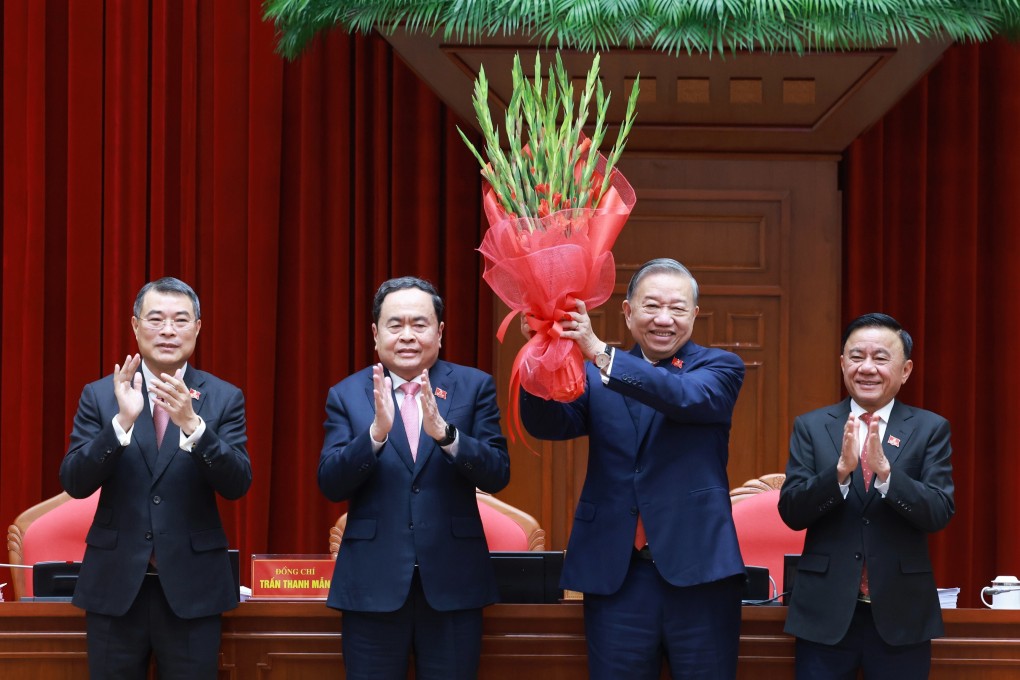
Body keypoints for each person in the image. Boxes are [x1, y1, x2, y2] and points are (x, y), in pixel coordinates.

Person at [519, 258, 747, 680]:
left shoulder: (719, 369)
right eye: (651, 306)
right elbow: (548, 424)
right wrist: (539, 356)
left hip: (699, 574)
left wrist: (602, 353)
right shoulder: (591, 375)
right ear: (627, 311)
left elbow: (683, 398)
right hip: (618, 573)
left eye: (677, 309)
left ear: (694, 315)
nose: (664, 319)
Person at [318, 276, 511, 680]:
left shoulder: (474, 387)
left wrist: (448, 436)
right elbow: (331, 483)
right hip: (372, 585)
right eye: (395, 324)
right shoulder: (348, 394)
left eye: (420, 324)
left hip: (453, 584)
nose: (408, 335)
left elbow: (497, 473)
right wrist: (374, 436)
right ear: (375, 333)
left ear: (439, 332)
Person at [59, 277, 251, 679]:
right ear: (134, 326)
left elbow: (237, 484)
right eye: (156, 319)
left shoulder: (223, 397)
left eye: (181, 320)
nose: (168, 330)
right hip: (115, 586)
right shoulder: (101, 395)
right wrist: (119, 425)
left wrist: (195, 428)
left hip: (193, 588)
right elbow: (75, 482)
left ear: (197, 328)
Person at [778, 312, 954, 679]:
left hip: (901, 614)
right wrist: (839, 474)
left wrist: (887, 475)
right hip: (824, 613)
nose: (867, 368)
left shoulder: (929, 428)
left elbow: (938, 511)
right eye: (857, 357)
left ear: (905, 370)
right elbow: (792, 511)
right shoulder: (812, 427)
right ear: (843, 363)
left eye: (880, 358)